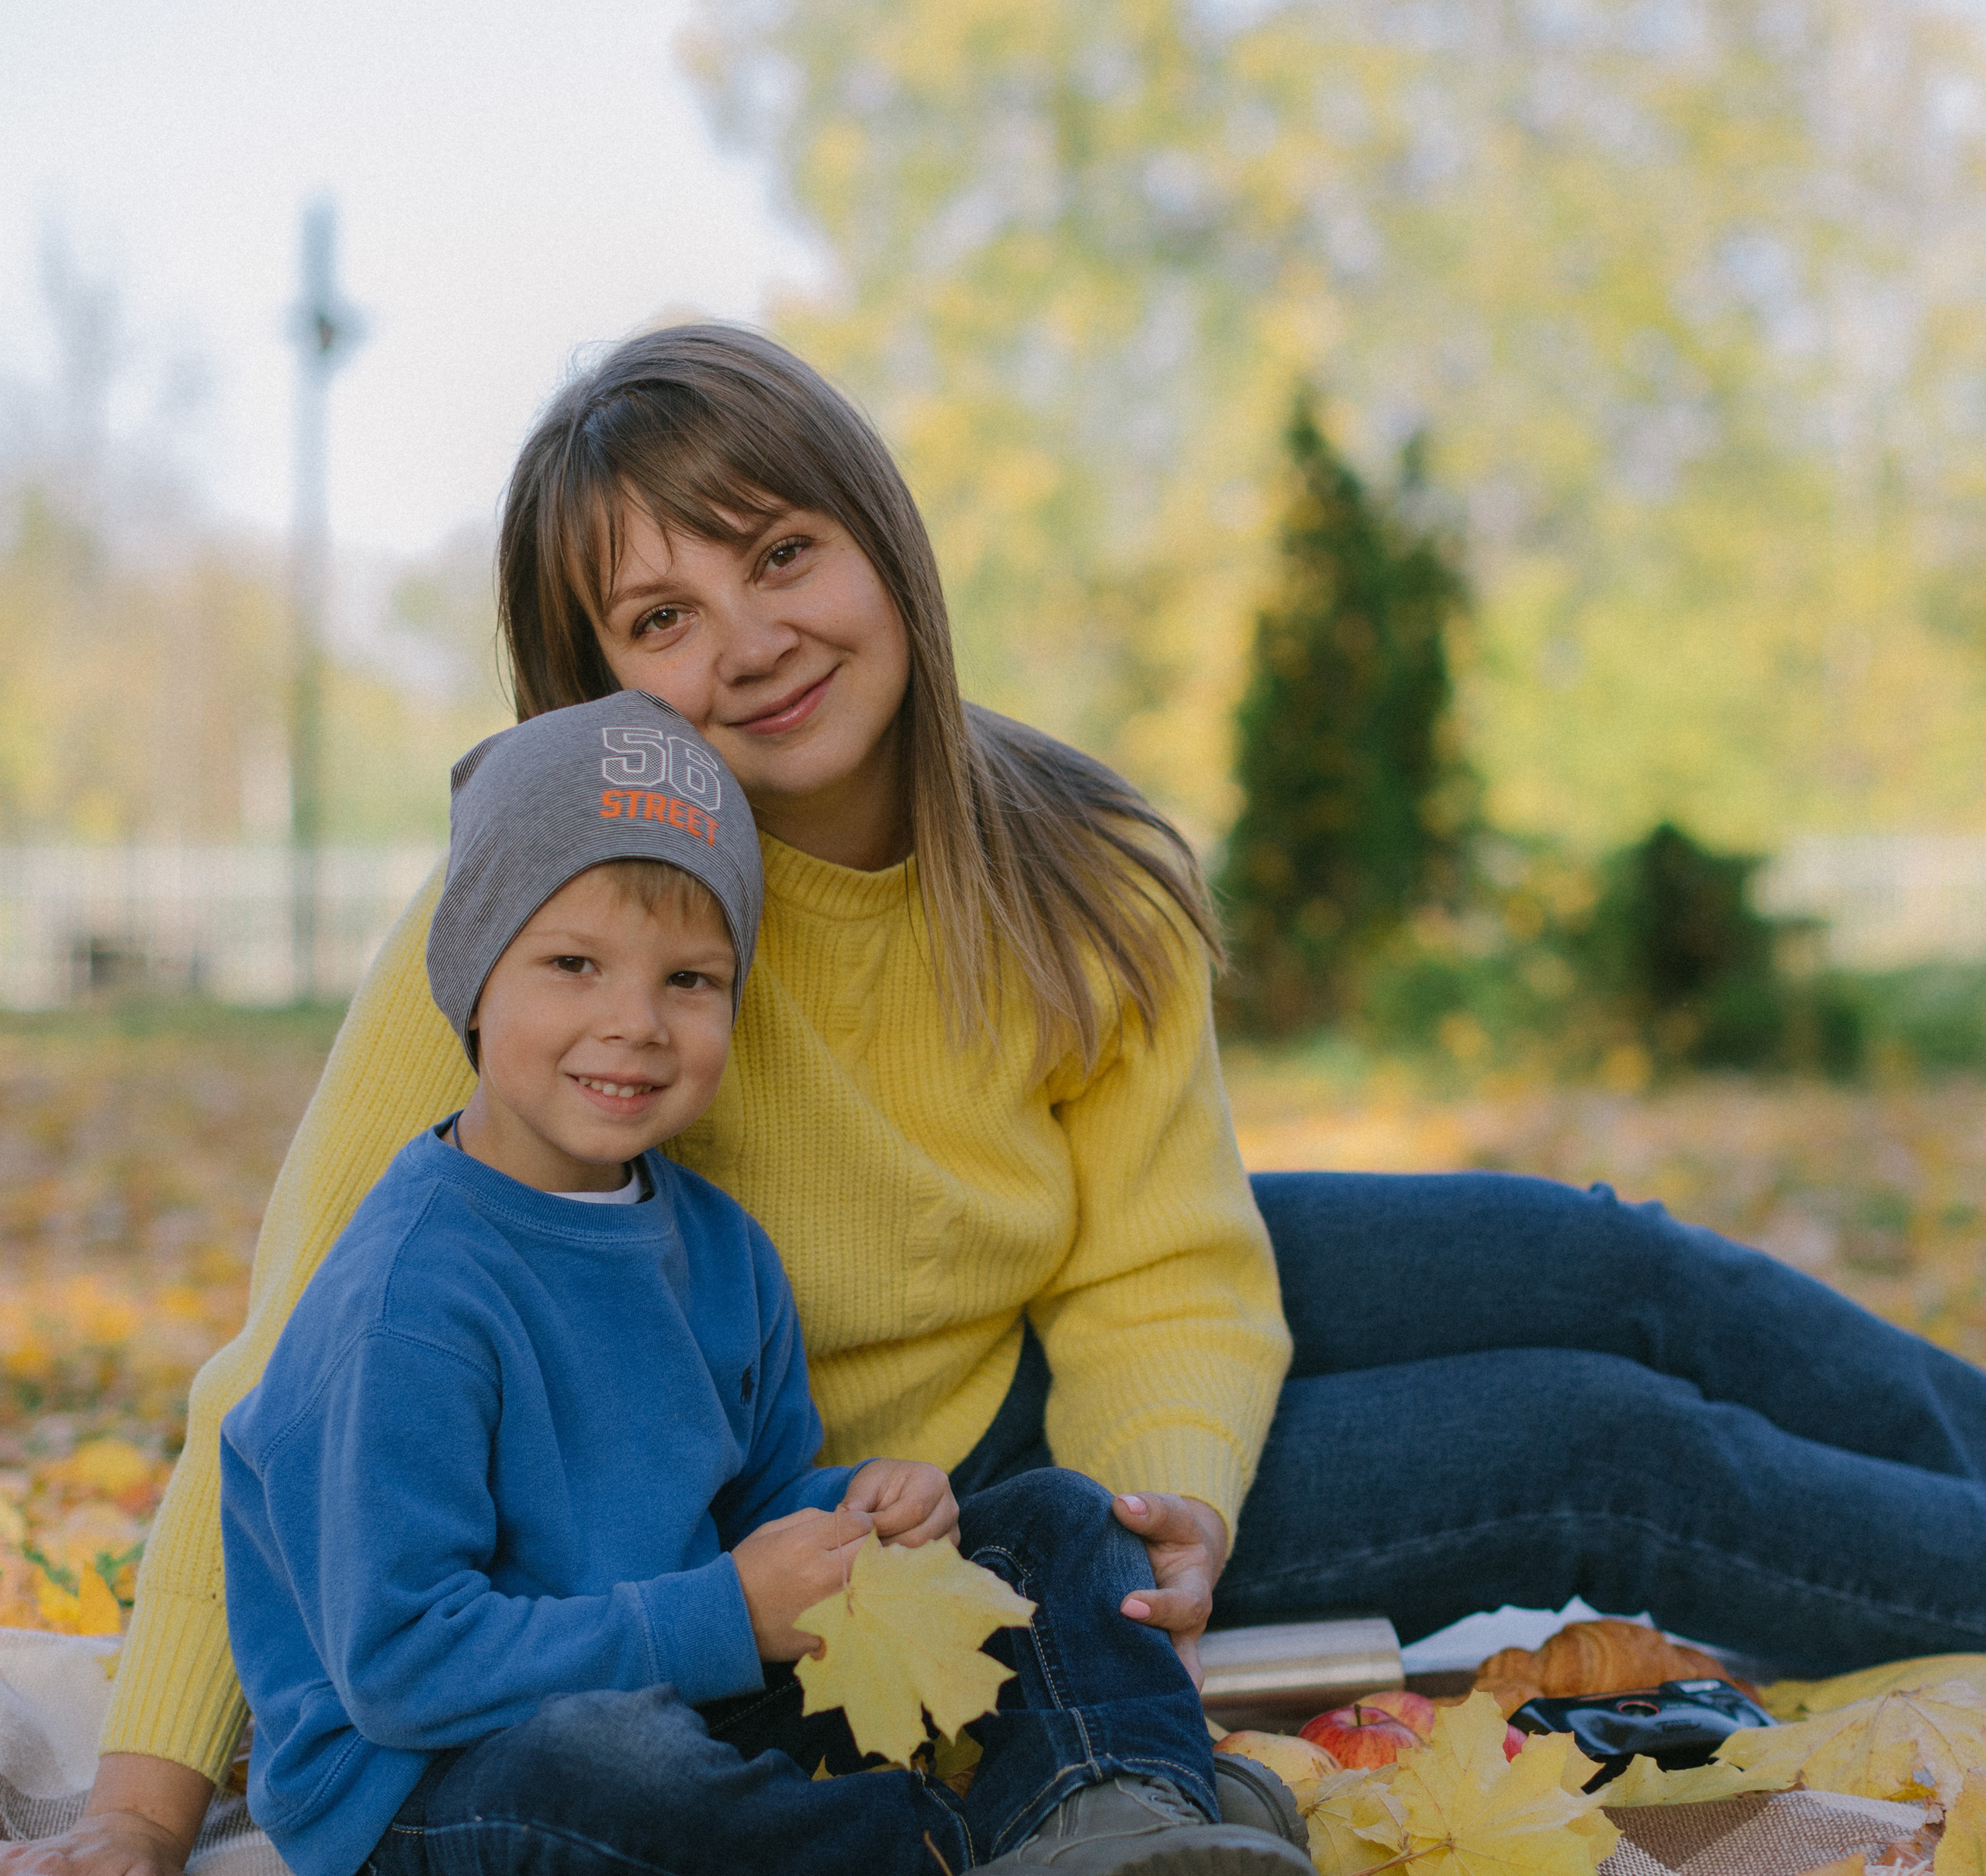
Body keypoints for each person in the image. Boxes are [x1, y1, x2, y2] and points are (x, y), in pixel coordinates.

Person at [19, 324, 1986, 1876]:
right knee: (1598, 1443)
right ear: (590, 679)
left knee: (1599, 1260)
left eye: (781, 553)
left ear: (879, 540)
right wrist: (143, 1798)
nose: (751, 640)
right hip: (894, 1489)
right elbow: (290, 1371)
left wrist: (1177, 1490)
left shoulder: (1069, 860)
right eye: (659, 615)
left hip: (1084, 1368)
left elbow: (1160, 1261)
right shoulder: (551, 939)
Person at [218, 689, 1310, 1876]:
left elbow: (753, 1501)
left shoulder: (718, 1247)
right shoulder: (407, 1304)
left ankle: (1123, 1809)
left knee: (1054, 1518)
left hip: (692, 1684)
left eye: (690, 979)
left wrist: (856, 1510)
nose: (633, 1022)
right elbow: (403, 1667)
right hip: (429, 1779)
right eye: (574, 964)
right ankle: (954, 1853)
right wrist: (730, 1614)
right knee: (603, 1758)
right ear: (475, 978)